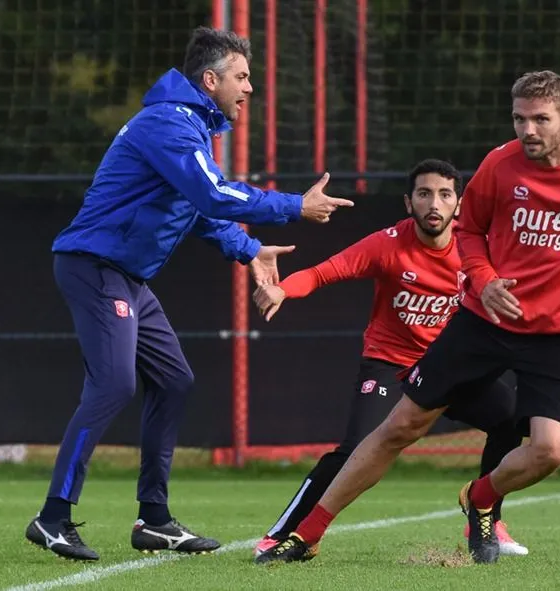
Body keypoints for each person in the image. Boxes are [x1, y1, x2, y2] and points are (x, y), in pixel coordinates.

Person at [255, 69, 560, 565]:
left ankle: (482, 497)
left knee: (551, 450)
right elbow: (468, 231)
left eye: (540, 120)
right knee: (398, 426)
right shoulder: (499, 165)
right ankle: (308, 533)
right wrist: (486, 281)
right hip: (482, 322)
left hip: (558, 335)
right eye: (519, 119)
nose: (527, 131)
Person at [25, 26, 353, 562]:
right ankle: (53, 517)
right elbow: (213, 194)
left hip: (125, 275)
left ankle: (153, 519)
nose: (250, 88)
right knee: (112, 385)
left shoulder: (189, 127)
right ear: (210, 79)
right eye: (242, 77)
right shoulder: (169, 123)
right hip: (94, 267)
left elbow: (194, 210)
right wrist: (295, 206)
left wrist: (250, 252)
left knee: (174, 382)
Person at [252, 159, 528, 559]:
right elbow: (322, 273)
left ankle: (487, 517)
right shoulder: (387, 243)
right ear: (408, 202)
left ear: (459, 204)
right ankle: (286, 533)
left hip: (446, 366)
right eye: (424, 193)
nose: (434, 203)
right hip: (391, 364)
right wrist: (282, 291)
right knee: (355, 448)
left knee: (510, 418)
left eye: (444, 194)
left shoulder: (476, 251)